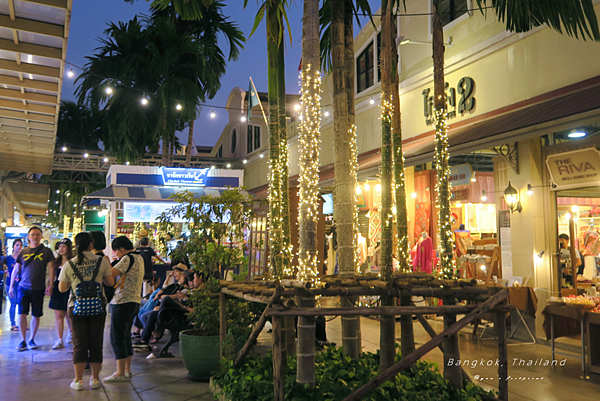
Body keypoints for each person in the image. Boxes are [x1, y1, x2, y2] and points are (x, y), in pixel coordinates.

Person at [58, 232, 114, 391]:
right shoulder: (101, 261)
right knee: (96, 343)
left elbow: (62, 288)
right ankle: (95, 380)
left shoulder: (70, 264)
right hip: (98, 307)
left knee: (80, 344)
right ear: (91, 245)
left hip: (76, 308)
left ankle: (78, 381)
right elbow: (110, 283)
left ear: (76, 246)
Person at [105, 236, 144, 383]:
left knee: (117, 337)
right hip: (134, 301)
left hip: (122, 301)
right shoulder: (139, 258)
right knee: (126, 336)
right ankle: (127, 370)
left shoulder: (127, 258)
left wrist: (107, 263)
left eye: (116, 251)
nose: (116, 254)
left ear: (121, 248)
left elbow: (111, 274)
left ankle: (119, 372)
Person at [9, 226, 54, 351]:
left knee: (36, 314)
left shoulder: (46, 251)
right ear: (28, 237)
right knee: (21, 313)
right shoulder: (23, 252)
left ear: (41, 237)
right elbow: (15, 270)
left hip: (38, 288)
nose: (35, 236)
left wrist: (51, 284)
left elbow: (51, 268)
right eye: (33, 234)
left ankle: (31, 339)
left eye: (38, 234)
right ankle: (22, 340)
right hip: (23, 287)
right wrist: (11, 286)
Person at [49, 238, 74, 349]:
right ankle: (59, 339)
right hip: (58, 289)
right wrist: (49, 286)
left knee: (69, 315)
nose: (61, 249)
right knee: (59, 315)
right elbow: (52, 275)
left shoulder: (73, 261)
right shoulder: (56, 262)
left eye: (63, 246)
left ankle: (72, 333)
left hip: (70, 289)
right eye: (59, 247)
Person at [3, 239, 23, 331]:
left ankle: (22, 323)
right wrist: (6, 272)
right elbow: (3, 267)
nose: (19, 247)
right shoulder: (7, 258)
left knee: (22, 303)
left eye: (20, 245)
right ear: (13, 246)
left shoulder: (23, 258)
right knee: (13, 303)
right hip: (9, 283)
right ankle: (13, 324)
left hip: (21, 283)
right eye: (17, 245)